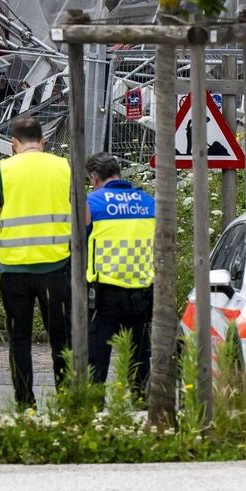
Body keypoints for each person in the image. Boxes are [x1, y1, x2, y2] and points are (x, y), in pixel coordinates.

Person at [0, 117, 80, 409]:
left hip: (14, 271)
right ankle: (66, 400)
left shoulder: (1, 171)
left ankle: (25, 403)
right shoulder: (65, 167)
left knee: (19, 339)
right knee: (62, 339)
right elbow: (83, 216)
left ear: (14, 143)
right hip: (56, 267)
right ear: (43, 141)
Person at [83, 152, 154, 393]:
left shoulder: (91, 203)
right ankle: (140, 403)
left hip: (105, 295)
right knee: (140, 360)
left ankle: (93, 406)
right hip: (142, 293)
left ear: (94, 177)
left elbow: (78, 243)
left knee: (96, 361)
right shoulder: (147, 201)